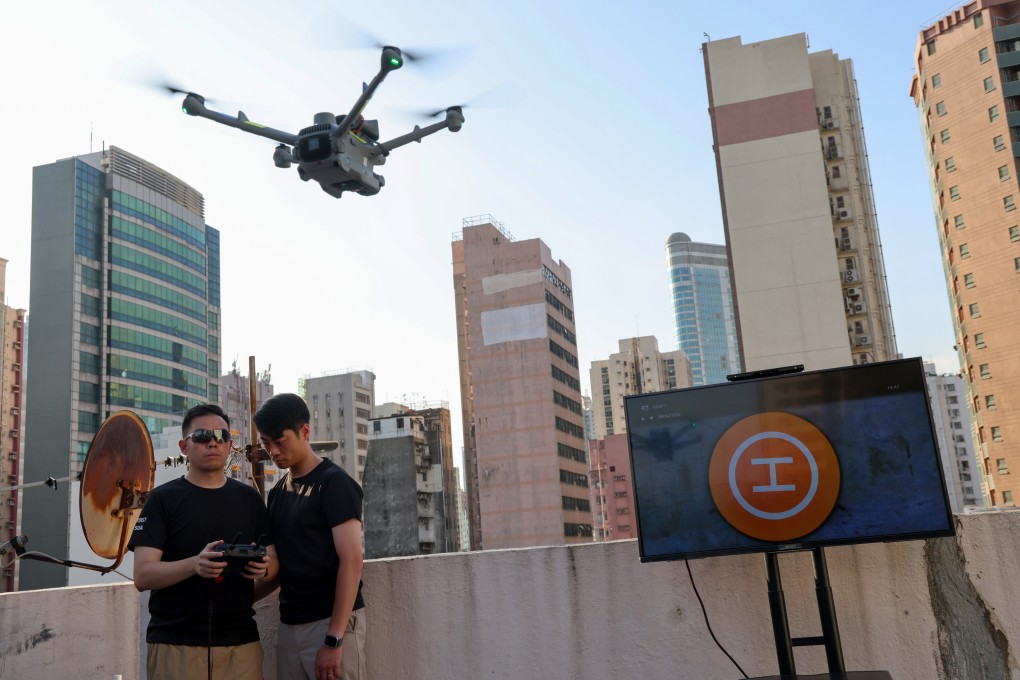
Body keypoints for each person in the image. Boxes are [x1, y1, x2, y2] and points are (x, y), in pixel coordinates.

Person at [130, 403, 278, 680]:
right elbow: (142, 575)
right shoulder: (162, 499)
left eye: (221, 436)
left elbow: (274, 564)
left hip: (241, 643)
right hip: (175, 643)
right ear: (184, 446)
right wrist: (195, 565)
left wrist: (263, 570)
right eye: (201, 436)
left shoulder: (250, 499)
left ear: (230, 445)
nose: (213, 442)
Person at [254, 393, 366, 680]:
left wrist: (334, 638)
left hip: (330, 623)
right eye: (267, 444)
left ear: (304, 431)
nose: (274, 451)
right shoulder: (278, 492)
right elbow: (280, 566)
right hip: (290, 623)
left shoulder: (334, 483)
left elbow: (352, 559)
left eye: (281, 441)